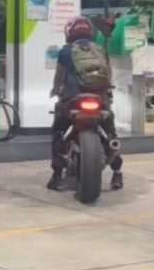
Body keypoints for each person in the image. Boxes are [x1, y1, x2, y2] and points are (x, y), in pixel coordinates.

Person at [47, 16, 124, 192]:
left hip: (73, 100)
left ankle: (57, 175)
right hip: (99, 99)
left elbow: (59, 77)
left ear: (69, 33)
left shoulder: (65, 51)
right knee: (110, 134)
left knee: (58, 132)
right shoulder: (99, 49)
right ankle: (117, 172)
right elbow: (109, 75)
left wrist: (55, 90)